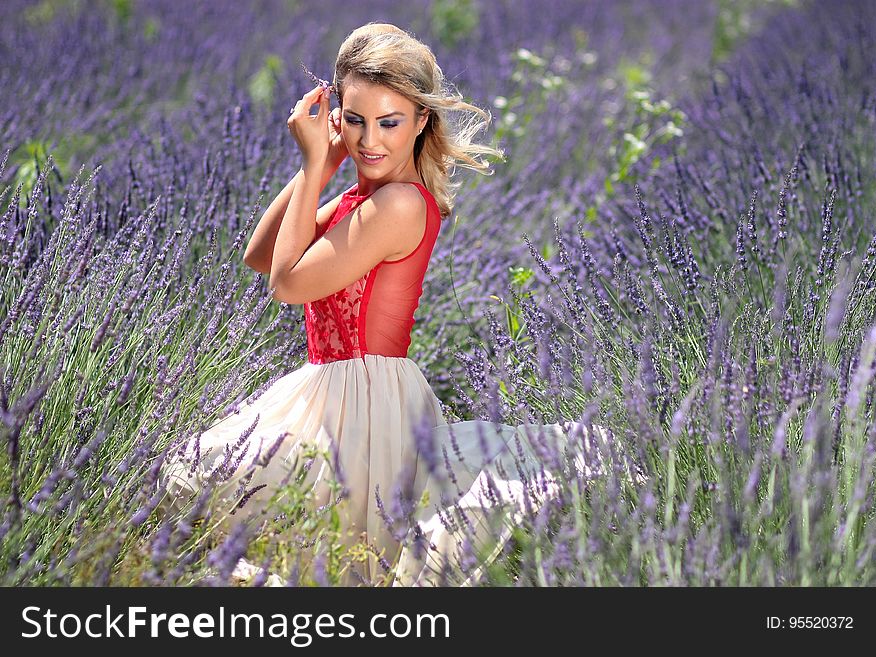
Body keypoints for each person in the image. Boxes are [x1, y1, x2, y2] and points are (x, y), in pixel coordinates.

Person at [158, 22, 613, 587]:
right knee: (216, 496)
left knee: (270, 522)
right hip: (328, 392)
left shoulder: (399, 203)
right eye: (354, 121)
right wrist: (321, 168)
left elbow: (287, 284)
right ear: (335, 116)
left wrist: (309, 171)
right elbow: (261, 256)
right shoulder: (361, 196)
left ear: (421, 122)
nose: (369, 140)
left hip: (366, 406)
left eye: (389, 123)